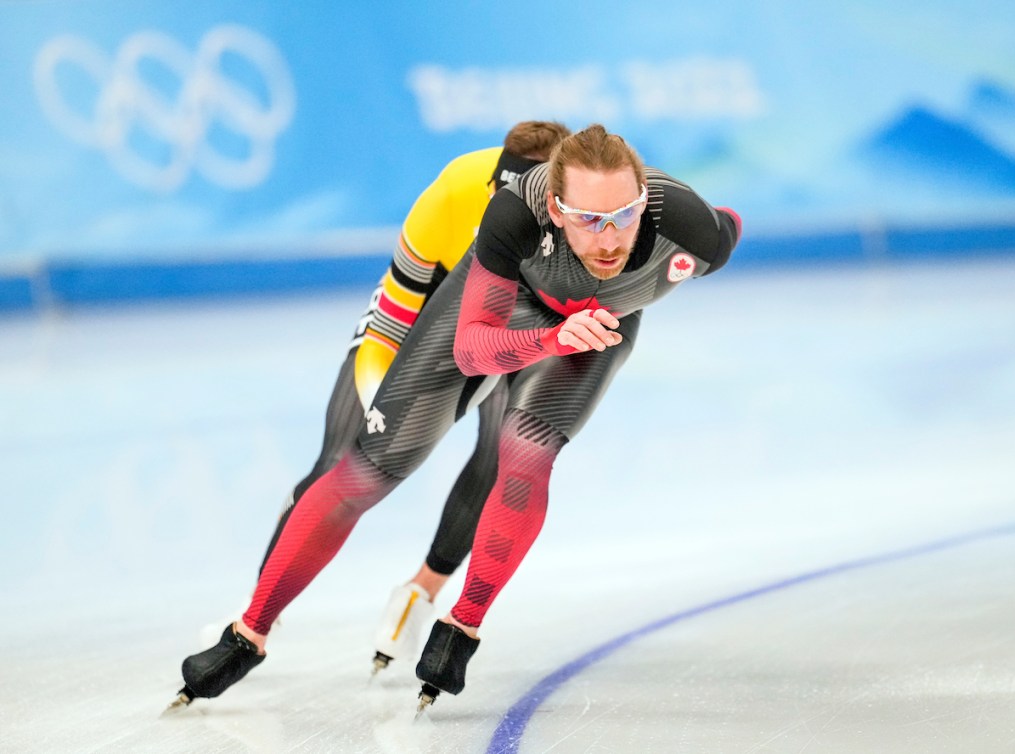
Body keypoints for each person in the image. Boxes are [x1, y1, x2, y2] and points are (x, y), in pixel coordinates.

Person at [171, 124, 742, 712]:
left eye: (622, 216)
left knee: (524, 454)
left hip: (598, 324)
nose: (608, 239)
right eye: (588, 219)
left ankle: (460, 629)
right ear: (554, 207)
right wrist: (550, 338)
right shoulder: (513, 215)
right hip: (506, 311)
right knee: (368, 468)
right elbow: (471, 350)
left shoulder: (691, 229)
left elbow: (730, 225)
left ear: (643, 200)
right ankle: (249, 632)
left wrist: (571, 335)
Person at [245, 121, 571, 674]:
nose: (508, 216)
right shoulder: (450, 194)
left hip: (508, 319)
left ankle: (421, 590)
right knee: (342, 459)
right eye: (501, 199)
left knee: (501, 447)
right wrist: (381, 408)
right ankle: (259, 611)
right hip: (429, 311)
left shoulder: (578, 221)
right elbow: (388, 328)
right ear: (491, 183)